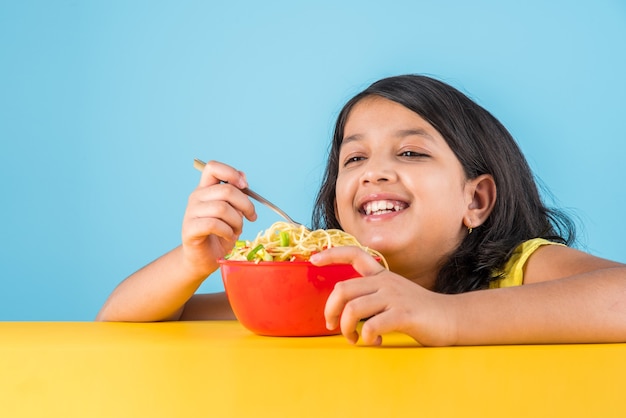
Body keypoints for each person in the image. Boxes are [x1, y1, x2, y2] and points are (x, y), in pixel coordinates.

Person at [96, 74, 626, 346]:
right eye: (354, 158)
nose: (373, 171)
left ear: (476, 199)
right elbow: (122, 324)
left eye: (412, 152)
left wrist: (442, 315)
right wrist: (194, 262)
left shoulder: (517, 268)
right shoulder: (323, 287)